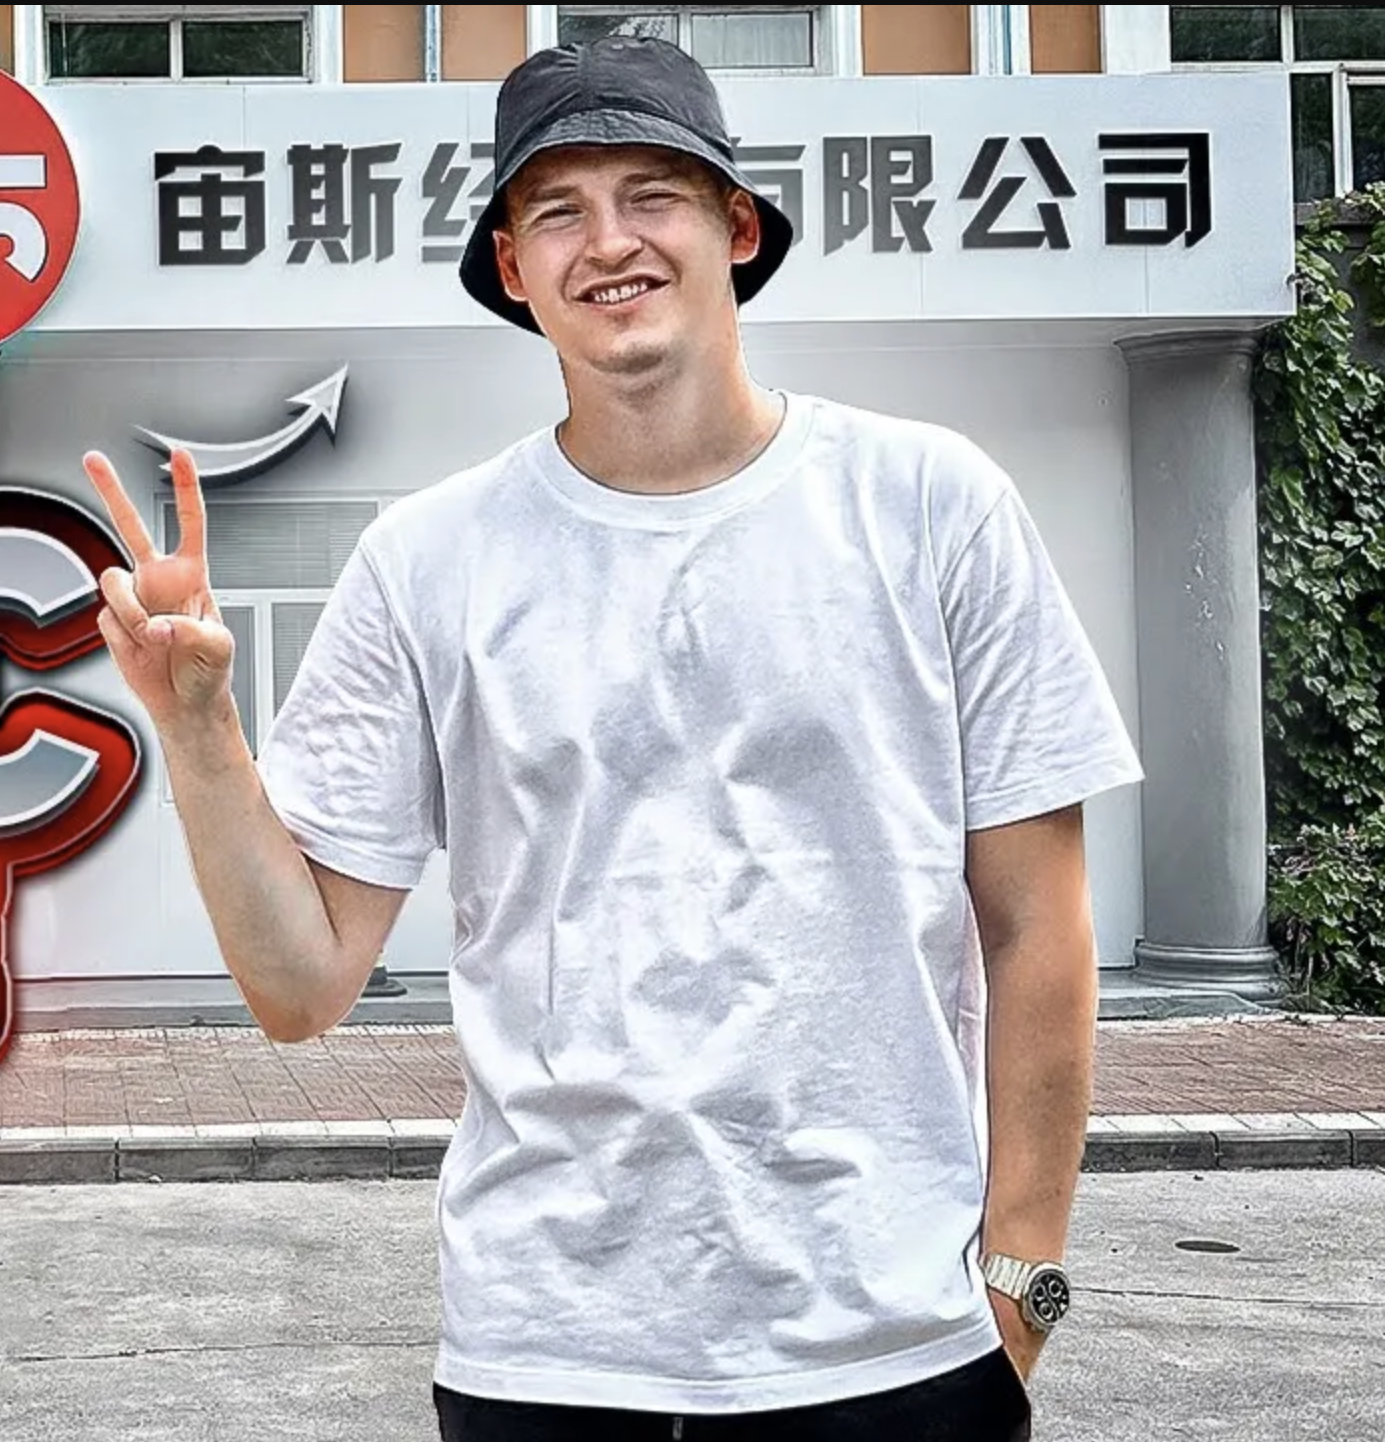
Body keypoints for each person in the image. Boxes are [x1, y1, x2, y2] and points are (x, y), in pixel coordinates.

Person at [81, 34, 1138, 1442]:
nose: (610, 242)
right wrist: (200, 729)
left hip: (894, 1344)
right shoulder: (429, 559)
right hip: (545, 1357)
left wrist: (1021, 1279)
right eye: (559, 210)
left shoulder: (931, 506)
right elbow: (301, 984)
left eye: (654, 195)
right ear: (512, 266)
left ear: (736, 227)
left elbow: (1037, 923)